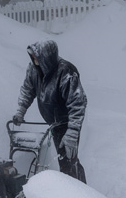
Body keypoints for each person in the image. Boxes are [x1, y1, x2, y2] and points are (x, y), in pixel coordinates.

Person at [11, 39, 87, 183]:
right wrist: (21, 111)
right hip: (54, 123)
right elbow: (28, 90)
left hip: (68, 122)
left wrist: (71, 134)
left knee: (67, 161)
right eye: (32, 56)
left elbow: (78, 104)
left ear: (47, 57)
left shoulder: (66, 71)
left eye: (36, 57)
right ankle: (82, 191)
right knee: (67, 160)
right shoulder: (34, 69)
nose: (34, 59)